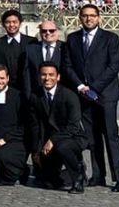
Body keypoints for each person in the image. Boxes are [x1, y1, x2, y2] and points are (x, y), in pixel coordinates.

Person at [64, 4, 119, 192]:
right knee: (92, 138)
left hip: (106, 95)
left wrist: (94, 87)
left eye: (92, 15)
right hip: (84, 95)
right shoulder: (73, 38)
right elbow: (68, 65)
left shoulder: (110, 38)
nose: (89, 19)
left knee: (111, 135)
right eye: (85, 15)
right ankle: (98, 175)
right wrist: (81, 87)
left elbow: (114, 65)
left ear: (99, 18)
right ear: (80, 18)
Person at [30, 62, 89, 193]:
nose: (47, 78)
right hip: (48, 140)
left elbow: (73, 126)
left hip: (71, 137)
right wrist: (36, 149)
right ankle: (75, 169)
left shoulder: (69, 96)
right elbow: (35, 125)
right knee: (49, 182)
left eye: (51, 75)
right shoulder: (35, 96)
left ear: (58, 77)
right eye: (44, 75)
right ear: (39, 77)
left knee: (63, 147)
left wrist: (53, 140)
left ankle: (78, 178)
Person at [0, 10, 30, 98]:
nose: (11, 25)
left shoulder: (30, 42)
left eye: (14, 22)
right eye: (8, 22)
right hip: (5, 88)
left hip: (27, 87)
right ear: (3, 24)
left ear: (20, 23)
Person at [25, 20, 66, 95]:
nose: (48, 33)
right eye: (44, 31)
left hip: (61, 95)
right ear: (40, 33)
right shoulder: (31, 49)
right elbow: (27, 75)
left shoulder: (65, 48)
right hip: (37, 95)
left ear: (57, 31)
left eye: (51, 31)